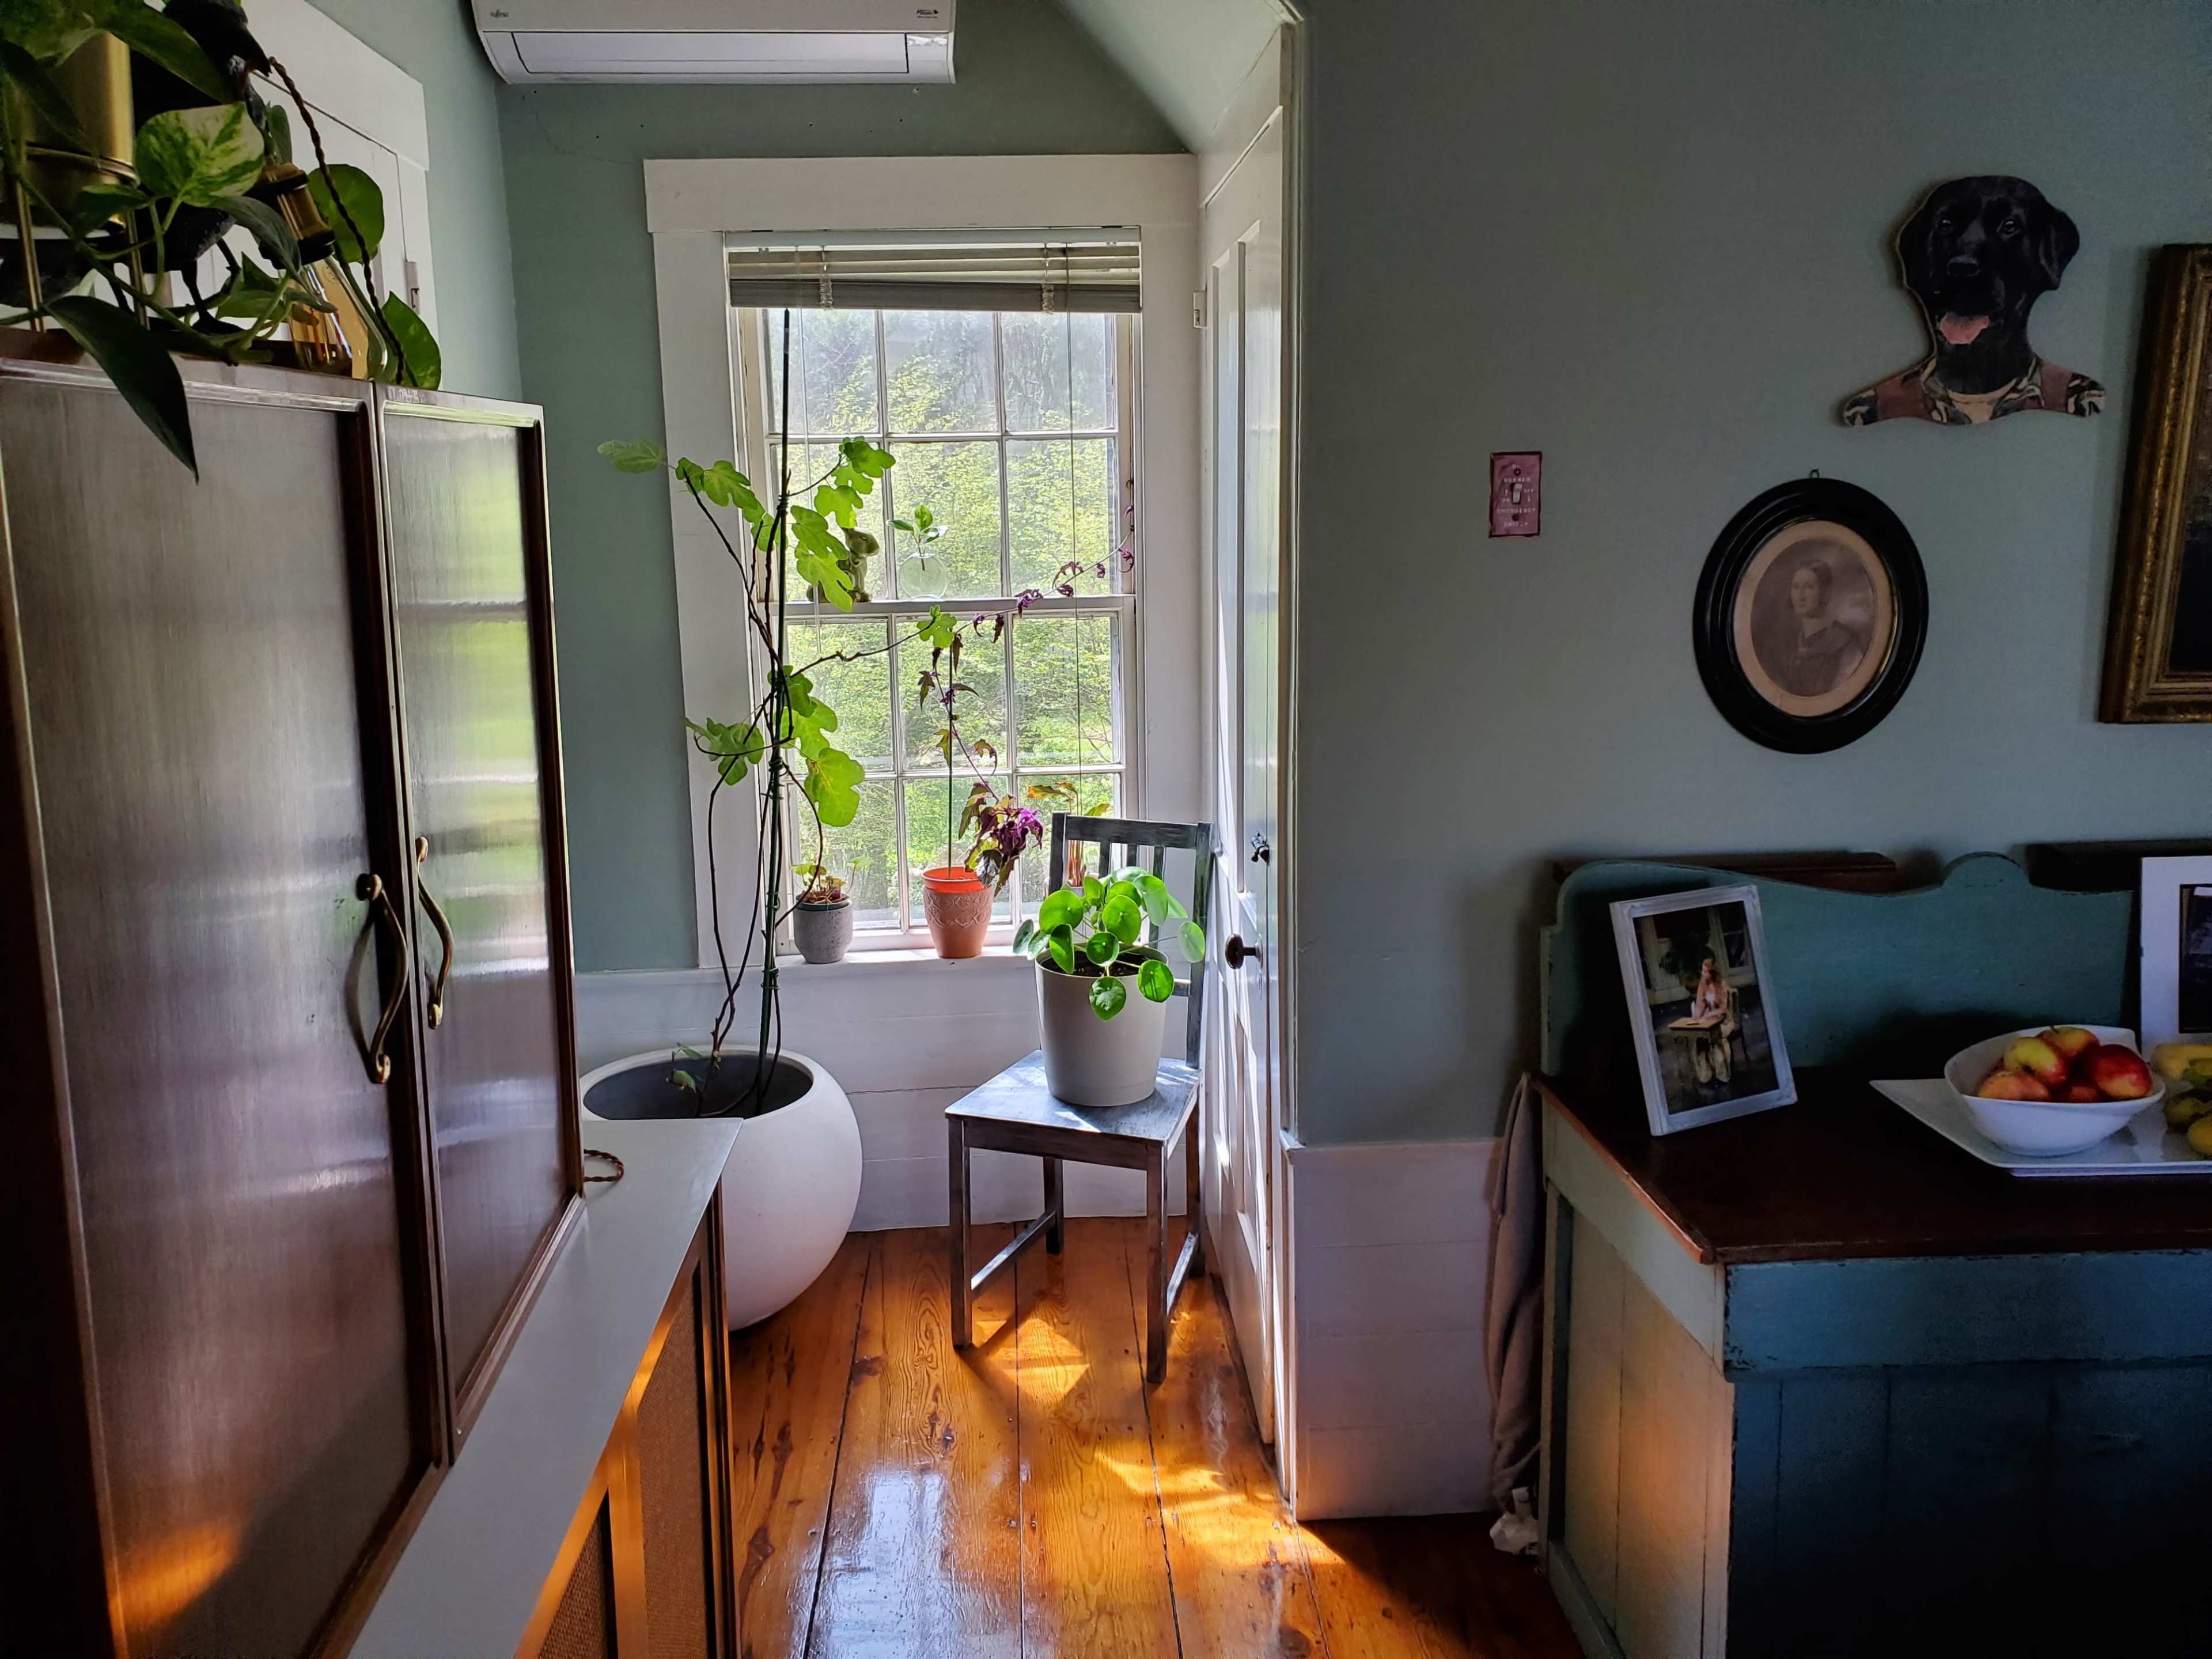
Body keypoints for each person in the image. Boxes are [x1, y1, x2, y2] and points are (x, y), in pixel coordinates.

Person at [1760, 556, 1867, 698]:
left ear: (1826, 593)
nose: (1801, 596)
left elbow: (1845, 696)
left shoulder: (1845, 644)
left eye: (1809, 587)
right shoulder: (1787, 646)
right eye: (1796, 587)